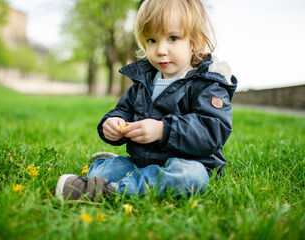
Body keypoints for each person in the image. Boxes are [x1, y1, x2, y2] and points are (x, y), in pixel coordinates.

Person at [56, 0, 237, 201]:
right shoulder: (145, 81)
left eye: (173, 38)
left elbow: (211, 131)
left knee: (191, 178)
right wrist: (114, 123)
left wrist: (163, 130)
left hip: (190, 164)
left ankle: (112, 190)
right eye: (152, 40)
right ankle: (110, 167)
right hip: (143, 161)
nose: (160, 50)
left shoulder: (208, 84)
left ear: (196, 40)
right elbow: (123, 110)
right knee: (104, 171)